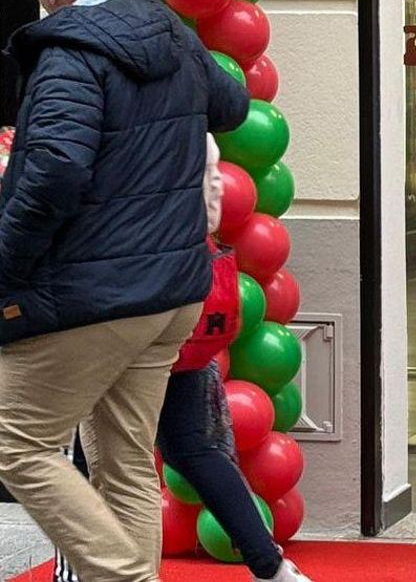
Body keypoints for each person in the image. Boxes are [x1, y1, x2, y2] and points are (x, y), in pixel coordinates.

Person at [0, 0, 250, 582]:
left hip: (96, 295)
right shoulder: (170, 29)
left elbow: (51, 174)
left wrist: (5, 269)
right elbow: (231, 106)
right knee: (126, 463)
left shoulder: (68, 54)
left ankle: (124, 575)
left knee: (13, 441)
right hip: (171, 290)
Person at [53, 136, 312, 582]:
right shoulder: (196, 127)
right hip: (186, 301)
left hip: (113, 302)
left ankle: (84, 573)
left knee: (101, 459)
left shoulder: (97, 122)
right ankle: (271, 568)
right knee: (192, 447)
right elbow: (212, 211)